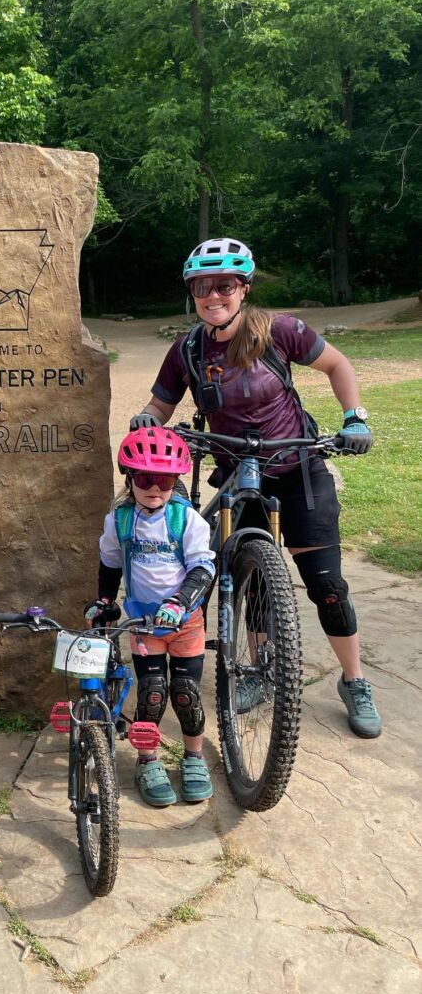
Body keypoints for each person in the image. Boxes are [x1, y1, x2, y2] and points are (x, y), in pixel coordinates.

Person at [132, 236, 380, 739]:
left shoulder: (280, 331)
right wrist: (147, 419)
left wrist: (354, 418)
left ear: (243, 288)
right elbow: (160, 405)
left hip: (297, 470)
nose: (212, 295)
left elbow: (338, 365)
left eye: (224, 284)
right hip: (236, 474)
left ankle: (354, 681)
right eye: (202, 287)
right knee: (248, 578)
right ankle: (258, 669)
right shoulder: (187, 351)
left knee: (326, 585)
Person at [87, 426, 216, 806]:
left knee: (186, 694)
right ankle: (148, 759)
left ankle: (193, 757)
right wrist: (106, 601)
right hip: (144, 625)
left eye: (164, 479)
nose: (155, 488)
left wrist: (180, 601)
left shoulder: (186, 520)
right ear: (130, 477)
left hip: (185, 622)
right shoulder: (120, 521)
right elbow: (110, 564)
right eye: (146, 478)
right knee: (152, 694)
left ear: (175, 480)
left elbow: (203, 568)